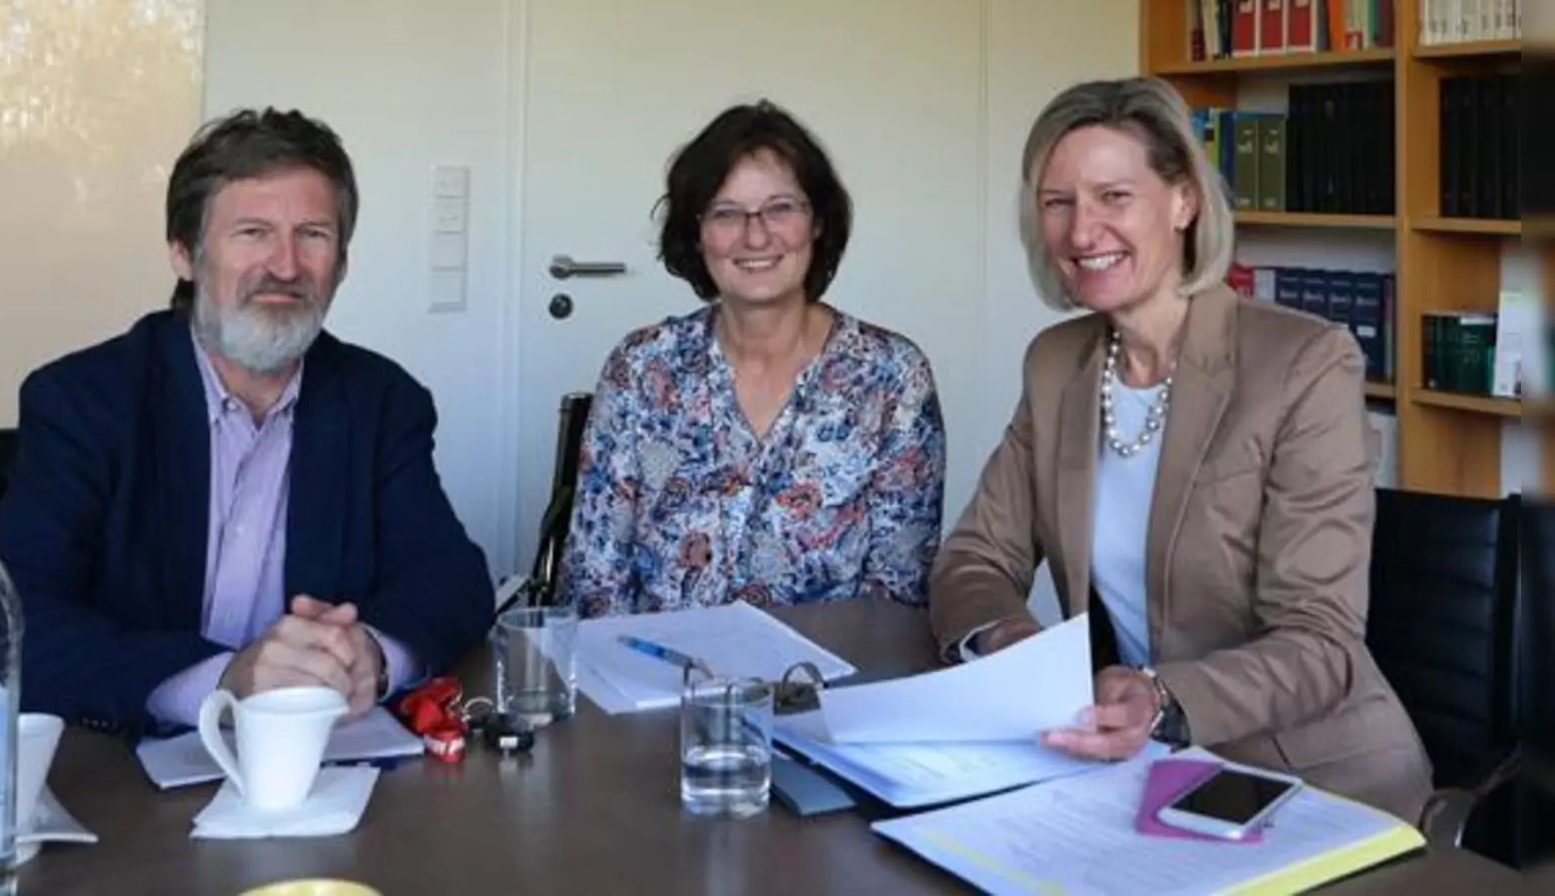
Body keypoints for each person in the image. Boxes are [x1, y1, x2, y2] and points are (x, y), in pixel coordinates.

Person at [927, 78, 1434, 822]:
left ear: (1183, 201)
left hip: (1310, 779)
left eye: (1114, 197)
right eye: (1058, 202)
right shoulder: (1057, 364)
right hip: (1143, 772)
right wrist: (1014, 644)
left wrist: (1161, 696)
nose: (1081, 231)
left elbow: (1321, 640)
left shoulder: (1304, 363)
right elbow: (975, 558)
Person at [0, 108, 495, 737]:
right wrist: (224, 681)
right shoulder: (83, 403)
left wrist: (373, 654)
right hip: (120, 766)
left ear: (341, 263)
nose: (285, 266)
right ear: (184, 254)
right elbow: (10, 621)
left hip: (321, 766)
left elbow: (452, 580)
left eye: (313, 234)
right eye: (253, 232)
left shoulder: (382, 402)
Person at [558, 99, 946, 617]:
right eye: (727, 213)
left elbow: (898, 599)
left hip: (831, 669)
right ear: (697, 233)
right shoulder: (641, 369)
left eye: (781, 208)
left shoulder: (892, 378)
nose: (756, 236)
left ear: (818, 222)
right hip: (655, 665)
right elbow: (594, 585)